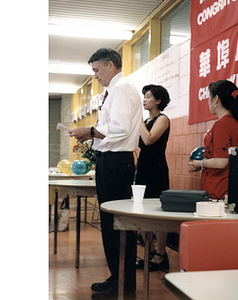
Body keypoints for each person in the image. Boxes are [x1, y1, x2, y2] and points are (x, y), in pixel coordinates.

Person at [69, 48, 142, 300]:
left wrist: (88, 131)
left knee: (117, 224)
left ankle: (122, 285)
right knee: (112, 224)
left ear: (111, 65)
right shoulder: (115, 90)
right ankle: (116, 276)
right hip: (111, 161)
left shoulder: (121, 88)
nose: (96, 76)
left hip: (116, 161)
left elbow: (119, 130)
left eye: (97, 70)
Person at [188, 80, 238, 199]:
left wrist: (200, 163)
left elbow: (221, 161)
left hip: (218, 189)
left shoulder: (221, 124)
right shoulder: (237, 123)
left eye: (209, 97)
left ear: (216, 99)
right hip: (231, 187)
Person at [135, 84, 170, 271]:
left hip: (156, 170)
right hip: (143, 170)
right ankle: (148, 252)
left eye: (148, 96)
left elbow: (148, 140)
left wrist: (138, 120)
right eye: (144, 96)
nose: (144, 99)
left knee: (158, 212)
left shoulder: (163, 119)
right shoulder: (147, 121)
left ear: (158, 100)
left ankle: (161, 255)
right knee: (142, 211)